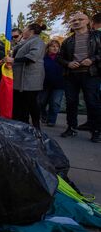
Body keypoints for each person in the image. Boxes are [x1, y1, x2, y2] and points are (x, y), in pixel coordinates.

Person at [57, 12, 101, 142]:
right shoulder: (67, 41)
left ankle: (96, 130)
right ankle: (71, 127)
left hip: (90, 74)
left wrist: (92, 59)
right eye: (74, 20)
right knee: (71, 102)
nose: (77, 22)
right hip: (71, 75)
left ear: (87, 21)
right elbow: (59, 57)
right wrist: (68, 63)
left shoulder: (97, 36)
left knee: (92, 102)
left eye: (80, 19)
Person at [5, 23, 46, 129]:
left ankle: (36, 128)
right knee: (22, 106)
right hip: (20, 81)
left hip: (30, 81)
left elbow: (32, 57)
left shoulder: (37, 41)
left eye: (25, 29)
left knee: (32, 104)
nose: (23, 31)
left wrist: (13, 60)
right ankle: (23, 126)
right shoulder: (25, 42)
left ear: (31, 31)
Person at [39, 40, 65, 127]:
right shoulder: (43, 58)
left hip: (59, 84)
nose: (55, 48)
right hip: (45, 84)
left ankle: (52, 120)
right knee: (41, 102)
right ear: (48, 47)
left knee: (55, 102)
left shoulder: (61, 58)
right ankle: (44, 115)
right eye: (53, 46)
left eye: (57, 46)